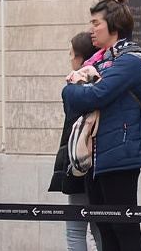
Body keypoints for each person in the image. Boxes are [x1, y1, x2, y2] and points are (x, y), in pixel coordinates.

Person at [62, 0, 141, 251]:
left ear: (114, 26)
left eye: (96, 23)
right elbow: (74, 108)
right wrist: (77, 93)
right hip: (99, 155)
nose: (91, 30)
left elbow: (96, 95)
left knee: (124, 227)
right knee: (105, 228)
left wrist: (67, 89)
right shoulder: (104, 60)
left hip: (121, 153)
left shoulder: (130, 61)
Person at [50, 31, 102, 251]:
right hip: (100, 161)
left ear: (80, 59)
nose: (69, 59)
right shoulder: (104, 81)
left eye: (71, 54)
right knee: (100, 227)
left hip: (78, 162)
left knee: (75, 229)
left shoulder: (74, 89)